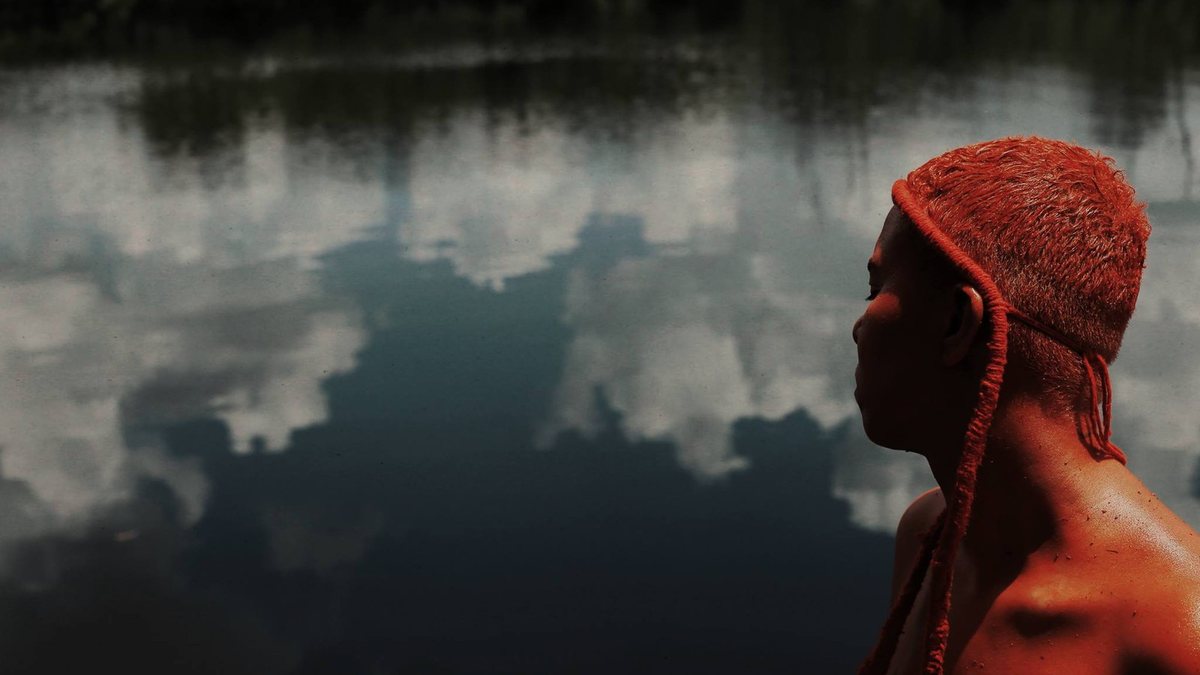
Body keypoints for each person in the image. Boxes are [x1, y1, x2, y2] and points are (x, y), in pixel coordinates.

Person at [850, 136, 1200, 674]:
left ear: (955, 325)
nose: (858, 326)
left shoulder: (1179, 627)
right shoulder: (929, 536)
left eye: (877, 288)